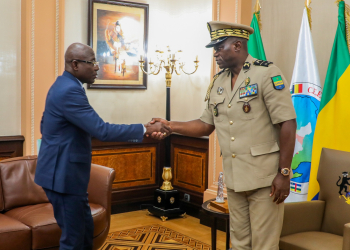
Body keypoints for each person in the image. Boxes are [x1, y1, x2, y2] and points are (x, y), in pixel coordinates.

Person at [151, 21, 296, 250]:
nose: (215, 54)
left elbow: (287, 123)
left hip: (265, 179)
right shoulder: (218, 82)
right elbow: (205, 124)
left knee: (264, 246)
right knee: (239, 243)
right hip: (235, 177)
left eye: (219, 48)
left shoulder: (267, 73)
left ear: (237, 45)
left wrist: (284, 173)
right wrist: (170, 125)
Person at [34, 43, 171, 250]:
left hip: (67, 174)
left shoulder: (63, 85)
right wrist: (145, 129)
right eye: (92, 62)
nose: (97, 67)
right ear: (75, 64)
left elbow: (45, 126)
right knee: (73, 240)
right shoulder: (69, 91)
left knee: (85, 231)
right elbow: (102, 131)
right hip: (61, 176)